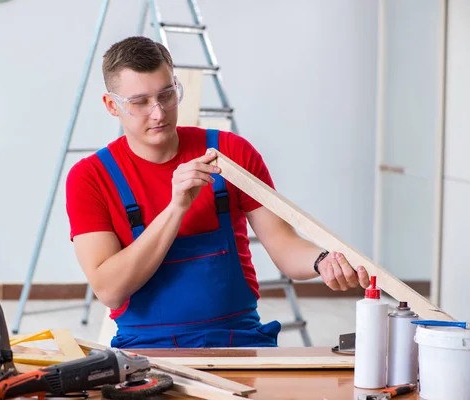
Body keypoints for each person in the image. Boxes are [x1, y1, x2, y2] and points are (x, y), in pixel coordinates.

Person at [65, 36, 370, 349]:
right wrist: (176, 208)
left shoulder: (229, 153)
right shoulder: (90, 178)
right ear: (111, 105)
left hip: (241, 341)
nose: (159, 113)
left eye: (167, 95)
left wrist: (322, 261)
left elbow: (284, 246)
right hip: (145, 349)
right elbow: (110, 290)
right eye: (140, 102)